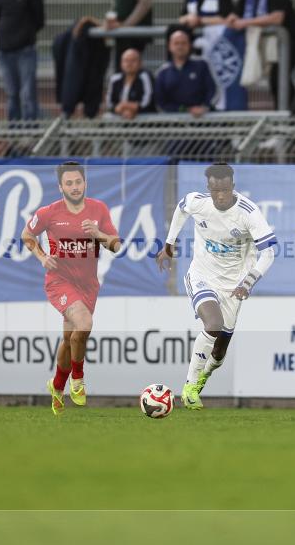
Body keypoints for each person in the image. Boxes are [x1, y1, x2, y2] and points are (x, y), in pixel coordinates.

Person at [156, 162, 277, 410]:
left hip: (235, 286)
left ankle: (201, 379)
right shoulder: (198, 202)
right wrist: (169, 245)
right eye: (214, 190)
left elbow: (270, 252)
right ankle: (189, 388)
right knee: (213, 324)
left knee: (219, 354)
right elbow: (181, 209)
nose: (219, 196)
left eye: (224, 189)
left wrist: (249, 281)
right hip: (202, 275)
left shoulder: (248, 212)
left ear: (232, 185)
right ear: (208, 188)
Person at [20, 162, 122, 415]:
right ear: (60, 186)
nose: (74, 187)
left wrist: (98, 233)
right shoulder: (48, 212)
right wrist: (43, 257)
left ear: (84, 183)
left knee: (71, 339)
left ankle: (56, 386)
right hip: (60, 281)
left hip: (88, 284)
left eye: (78, 182)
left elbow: (116, 245)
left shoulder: (98, 209)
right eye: (69, 183)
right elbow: (26, 235)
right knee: (84, 324)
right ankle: (77, 380)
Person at [0, 0, 44, 121]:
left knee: (28, 93)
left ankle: (30, 133)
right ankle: (13, 131)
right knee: (12, 93)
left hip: (25, 51)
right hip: (5, 51)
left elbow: (39, 20)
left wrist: (25, 35)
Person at [155, 30, 217, 116]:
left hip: (203, 120)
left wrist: (204, 107)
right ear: (169, 46)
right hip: (173, 123)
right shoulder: (162, 72)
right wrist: (183, 110)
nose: (180, 46)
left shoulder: (202, 65)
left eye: (183, 43)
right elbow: (160, 102)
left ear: (189, 45)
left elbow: (214, 91)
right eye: (176, 43)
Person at [106, 48, 154, 119]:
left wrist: (127, 106)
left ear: (140, 63)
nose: (129, 63)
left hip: (143, 120)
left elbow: (147, 102)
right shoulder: (114, 79)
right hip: (118, 118)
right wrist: (121, 110)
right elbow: (109, 103)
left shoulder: (145, 77)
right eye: (126, 60)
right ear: (121, 63)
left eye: (133, 60)